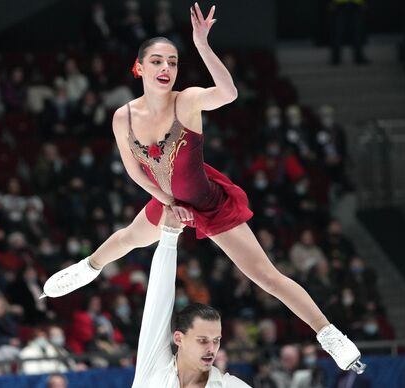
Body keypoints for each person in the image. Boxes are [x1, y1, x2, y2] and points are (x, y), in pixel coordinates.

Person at [41, 3, 365, 374]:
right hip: (169, 199)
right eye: (158, 61)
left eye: (173, 62)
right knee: (129, 237)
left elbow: (228, 93)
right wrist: (167, 202)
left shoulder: (188, 100)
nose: (166, 69)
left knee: (264, 275)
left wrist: (201, 44)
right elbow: (134, 170)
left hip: (208, 202)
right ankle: (86, 268)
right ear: (140, 67)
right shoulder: (123, 116)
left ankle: (329, 334)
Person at [135, 207, 251, 387]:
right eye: (203, 340)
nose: (211, 349)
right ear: (179, 338)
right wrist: (170, 234)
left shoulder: (229, 385)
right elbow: (157, 300)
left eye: (216, 341)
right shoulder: (154, 368)